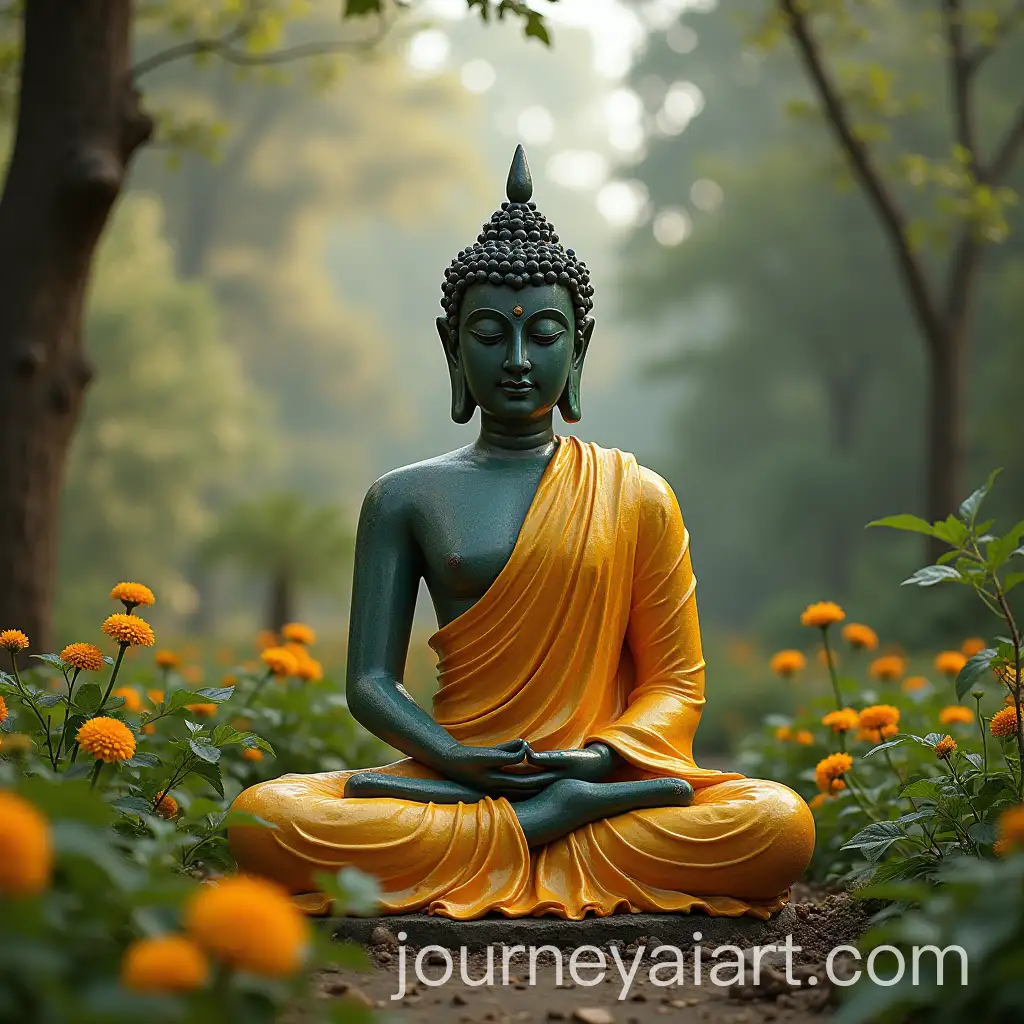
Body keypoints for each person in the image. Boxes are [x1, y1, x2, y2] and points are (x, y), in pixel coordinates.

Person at [229, 147, 815, 920]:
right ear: (452, 346)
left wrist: (597, 759)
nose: (515, 360)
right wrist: (455, 757)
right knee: (265, 818)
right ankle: (545, 827)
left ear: (579, 346)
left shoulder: (637, 495)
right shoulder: (404, 497)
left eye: (543, 334)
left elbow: (675, 684)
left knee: (778, 823)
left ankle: (515, 833)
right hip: (455, 780)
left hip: (593, 781)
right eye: (487, 335)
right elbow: (370, 682)